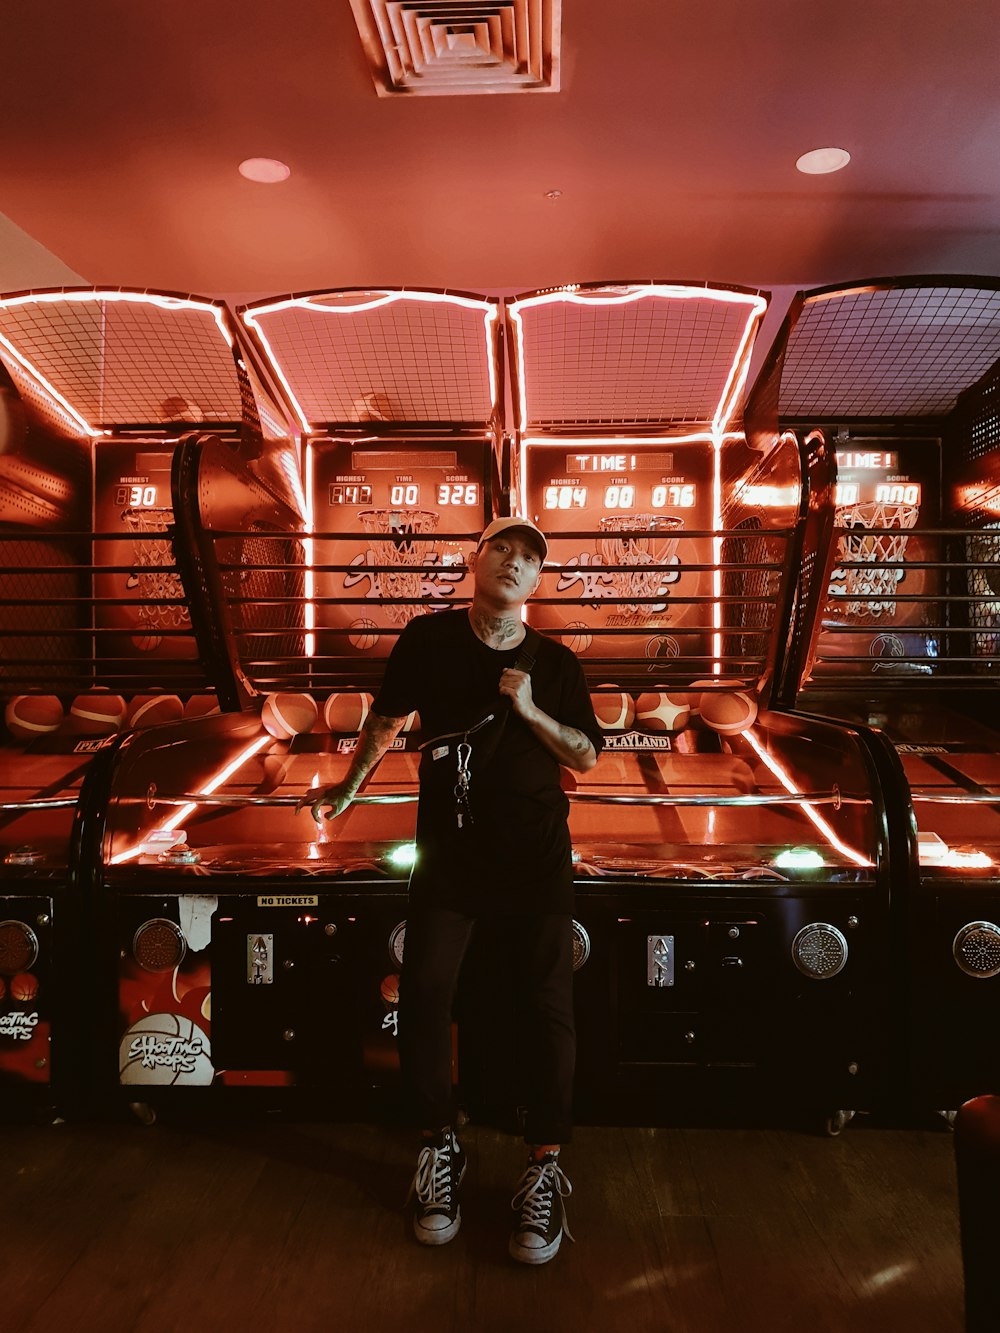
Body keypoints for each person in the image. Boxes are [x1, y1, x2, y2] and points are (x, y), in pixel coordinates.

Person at [299, 516, 603, 1265]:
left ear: (538, 582)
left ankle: (544, 1166)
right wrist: (344, 791)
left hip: (536, 861)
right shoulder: (428, 638)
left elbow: (588, 755)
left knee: (547, 1006)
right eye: (502, 547)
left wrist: (530, 709)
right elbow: (385, 723)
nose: (514, 562)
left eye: (530, 558)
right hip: (450, 857)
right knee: (426, 993)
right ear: (477, 559)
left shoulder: (555, 662)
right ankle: (439, 1147)